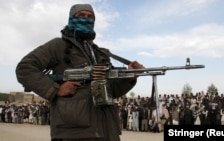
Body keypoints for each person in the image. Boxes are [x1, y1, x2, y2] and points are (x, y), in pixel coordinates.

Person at [15, 3, 144, 141]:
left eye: (90, 17)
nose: (86, 19)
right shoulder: (58, 46)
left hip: (106, 130)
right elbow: (25, 68)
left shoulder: (99, 53)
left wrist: (130, 76)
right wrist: (55, 89)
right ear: (71, 18)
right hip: (74, 131)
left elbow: (112, 91)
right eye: (80, 15)